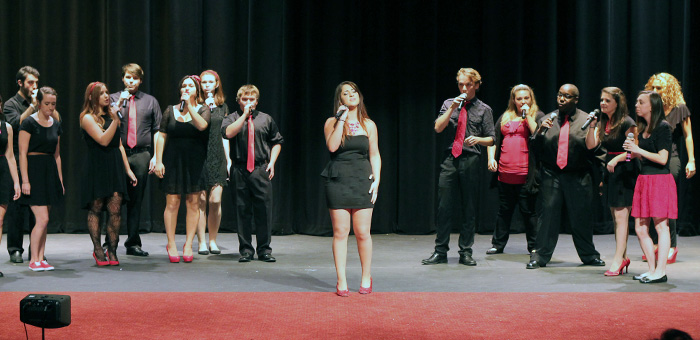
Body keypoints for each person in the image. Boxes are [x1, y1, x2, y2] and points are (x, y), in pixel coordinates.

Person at [526, 84, 605, 269]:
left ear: (576, 100)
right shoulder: (547, 119)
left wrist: (601, 177)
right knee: (548, 215)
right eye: (559, 95)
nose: (561, 99)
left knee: (581, 217)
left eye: (567, 96)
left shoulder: (587, 120)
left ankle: (589, 255)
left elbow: (597, 151)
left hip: (578, 175)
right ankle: (540, 256)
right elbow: (535, 149)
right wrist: (539, 132)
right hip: (552, 174)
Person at [423, 68, 495, 266]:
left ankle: (466, 251)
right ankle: (440, 251)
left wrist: (478, 140)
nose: (464, 88)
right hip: (449, 158)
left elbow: (491, 139)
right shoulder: (449, 103)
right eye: (461, 84)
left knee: (468, 206)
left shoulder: (484, 109)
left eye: (468, 84)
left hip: (470, 159)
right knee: (444, 206)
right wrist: (452, 109)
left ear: (477, 86)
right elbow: (438, 127)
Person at [322, 81, 381, 296]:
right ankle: (342, 281)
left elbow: (374, 154)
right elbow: (332, 146)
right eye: (346, 93)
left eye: (354, 91)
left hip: (361, 179)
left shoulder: (369, 124)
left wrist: (377, 180)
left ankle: (366, 277)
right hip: (338, 179)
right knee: (340, 232)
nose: (351, 95)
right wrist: (341, 119)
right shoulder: (332, 121)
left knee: (363, 233)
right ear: (340, 100)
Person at [221, 85, 283, 263]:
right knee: (242, 210)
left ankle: (264, 249)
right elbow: (227, 134)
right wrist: (243, 116)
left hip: (259, 169)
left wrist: (271, 162)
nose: (248, 102)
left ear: (256, 101)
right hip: (240, 169)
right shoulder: (231, 118)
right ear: (239, 101)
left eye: (251, 99)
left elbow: (277, 141)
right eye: (244, 99)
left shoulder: (265, 119)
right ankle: (246, 250)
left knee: (263, 210)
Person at [3, 66, 57, 264]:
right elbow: (15, 124)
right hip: (17, 158)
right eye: (30, 82)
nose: (34, 86)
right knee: (17, 207)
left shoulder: (40, 103)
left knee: (39, 206)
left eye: (36, 82)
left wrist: (43, 106)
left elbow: (54, 122)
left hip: (37, 161)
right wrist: (32, 107)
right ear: (20, 83)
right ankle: (15, 248)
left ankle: (35, 251)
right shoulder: (11, 104)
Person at [80, 82, 137, 266]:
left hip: (114, 165)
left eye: (107, 92)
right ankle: (98, 250)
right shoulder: (87, 118)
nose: (106, 95)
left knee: (115, 209)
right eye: (101, 93)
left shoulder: (111, 115)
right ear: (91, 97)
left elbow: (118, 145)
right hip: (97, 165)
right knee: (96, 207)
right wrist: (116, 121)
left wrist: (128, 170)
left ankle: (112, 249)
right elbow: (103, 140)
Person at [154, 75, 210, 263]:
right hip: (173, 160)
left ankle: (188, 244)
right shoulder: (170, 110)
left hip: (195, 162)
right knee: (172, 203)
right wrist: (159, 161)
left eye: (190, 86)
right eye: (183, 86)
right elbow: (162, 136)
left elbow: (202, 126)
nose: (186, 88)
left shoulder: (204, 110)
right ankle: (171, 244)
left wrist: (190, 107)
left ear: (197, 90)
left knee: (193, 203)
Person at [108, 63, 162, 257]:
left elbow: (157, 130)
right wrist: (120, 103)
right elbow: (107, 120)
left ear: (140, 80)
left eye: (135, 78)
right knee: (113, 199)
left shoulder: (150, 101)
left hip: (141, 154)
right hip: (116, 153)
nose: (131, 81)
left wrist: (156, 156)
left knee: (136, 200)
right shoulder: (113, 99)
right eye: (128, 77)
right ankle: (109, 241)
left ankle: (133, 243)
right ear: (123, 79)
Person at [624, 91, 676, 284]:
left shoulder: (663, 127)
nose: (637, 105)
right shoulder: (643, 128)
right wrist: (634, 152)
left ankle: (661, 271)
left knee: (661, 226)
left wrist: (638, 150)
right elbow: (646, 155)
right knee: (640, 228)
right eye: (636, 101)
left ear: (652, 106)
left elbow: (663, 159)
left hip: (659, 181)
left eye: (641, 102)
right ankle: (652, 270)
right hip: (644, 180)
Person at [585, 87, 637, 276]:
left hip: (625, 170)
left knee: (622, 218)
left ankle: (617, 260)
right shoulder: (605, 122)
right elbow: (591, 145)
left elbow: (634, 150)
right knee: (616, 219)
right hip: (610, 171)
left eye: (607, 100)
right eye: (601, 100)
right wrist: (592, 125)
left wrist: (617, 159)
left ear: (617, 102)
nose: (603, 103)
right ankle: (623, 257)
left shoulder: (627, 122)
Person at [643, 73, 695, 264]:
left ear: (669, 89)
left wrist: (692, 160)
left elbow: (688, 136)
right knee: (650, 202)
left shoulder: (679, 108)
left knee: (665, 202)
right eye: (653, 87)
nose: (655, 91)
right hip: (649, 159)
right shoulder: (650, 108)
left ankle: (671, 245)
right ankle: (657, 244)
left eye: (659, 88)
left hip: (670, 158)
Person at [486, 84, 542, 255]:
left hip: (526, 174)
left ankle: (534, 246)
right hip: (505, 173)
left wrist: (527, 117)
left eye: (526, 98)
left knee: (528, 212)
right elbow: (493, 139)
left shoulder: (537, 115)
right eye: (519, 99)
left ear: (531, 99)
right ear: (513, 100)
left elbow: (538, 135)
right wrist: (490, 158)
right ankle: (498, 244)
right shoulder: (505, 116)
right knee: (504, 210)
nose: (523, 101)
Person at [18, 87, 64, 271]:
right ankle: (33, 259)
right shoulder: (29, 123)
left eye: (53, 104)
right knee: (42, 219)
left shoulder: (56, 123)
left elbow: (57, 155)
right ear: (38, 103)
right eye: (47, 103)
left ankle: (41, 257)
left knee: (46, 220)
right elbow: (22, 153)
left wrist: (59, 180)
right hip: (34, 171)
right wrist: (25, 180)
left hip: (49, 172)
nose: (50, 107)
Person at [196, 70, 231, 255]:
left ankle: (213, 240)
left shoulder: (223, 106)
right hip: (200, 154)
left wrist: (229, 159)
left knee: (215, 200)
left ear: (217, 84)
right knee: (201, 200)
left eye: (211, 82)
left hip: (217, 154)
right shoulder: (196, 105)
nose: (207, 85)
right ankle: (202, 241)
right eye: (204, 82)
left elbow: (225, 134)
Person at [0, 94, 22, 277]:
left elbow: (10, 156)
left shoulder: (6, 127)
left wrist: (16, 182)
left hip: (2, 174)